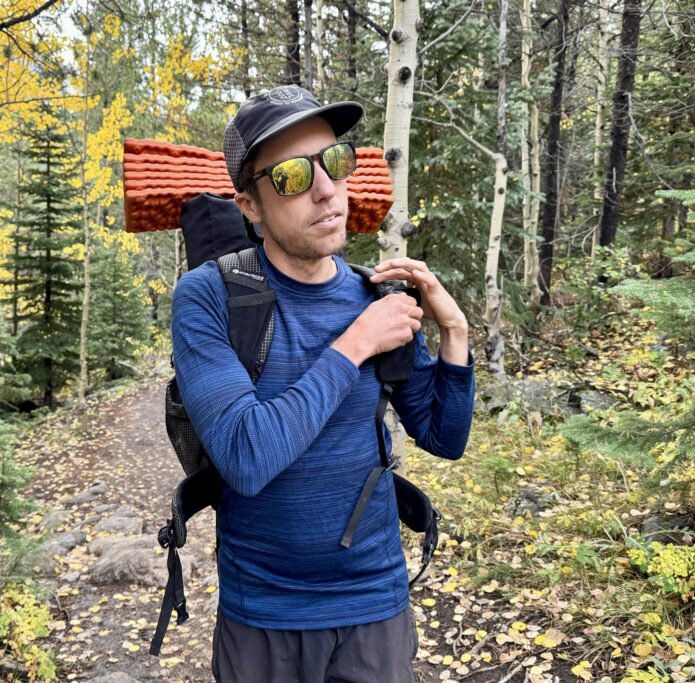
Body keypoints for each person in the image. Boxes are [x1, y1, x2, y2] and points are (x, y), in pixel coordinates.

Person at [170, 84, 475, 683]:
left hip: (373, 606)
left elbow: (444, 436)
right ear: (249, 206)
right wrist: (355, 343)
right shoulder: (209, 297)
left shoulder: (378, 297)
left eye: (335, 161)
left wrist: (456, 331)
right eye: (289, 176)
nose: (325, 187)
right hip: (263, 611)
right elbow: (246, 456)